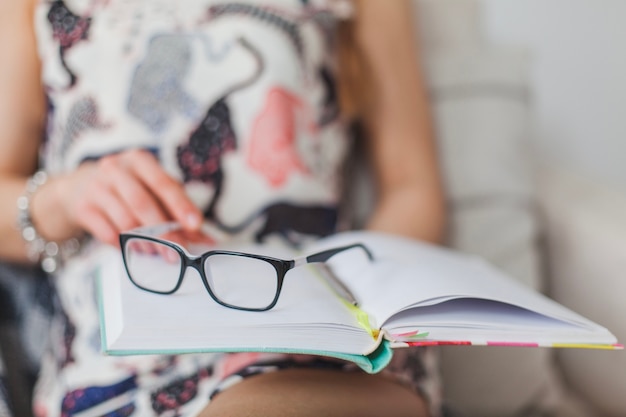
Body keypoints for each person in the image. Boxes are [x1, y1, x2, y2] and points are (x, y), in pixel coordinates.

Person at [0, 0, 446, 416]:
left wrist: (371, 298)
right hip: (120, 355)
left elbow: (412, 187)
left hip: (314, 334)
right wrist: (64, 198)